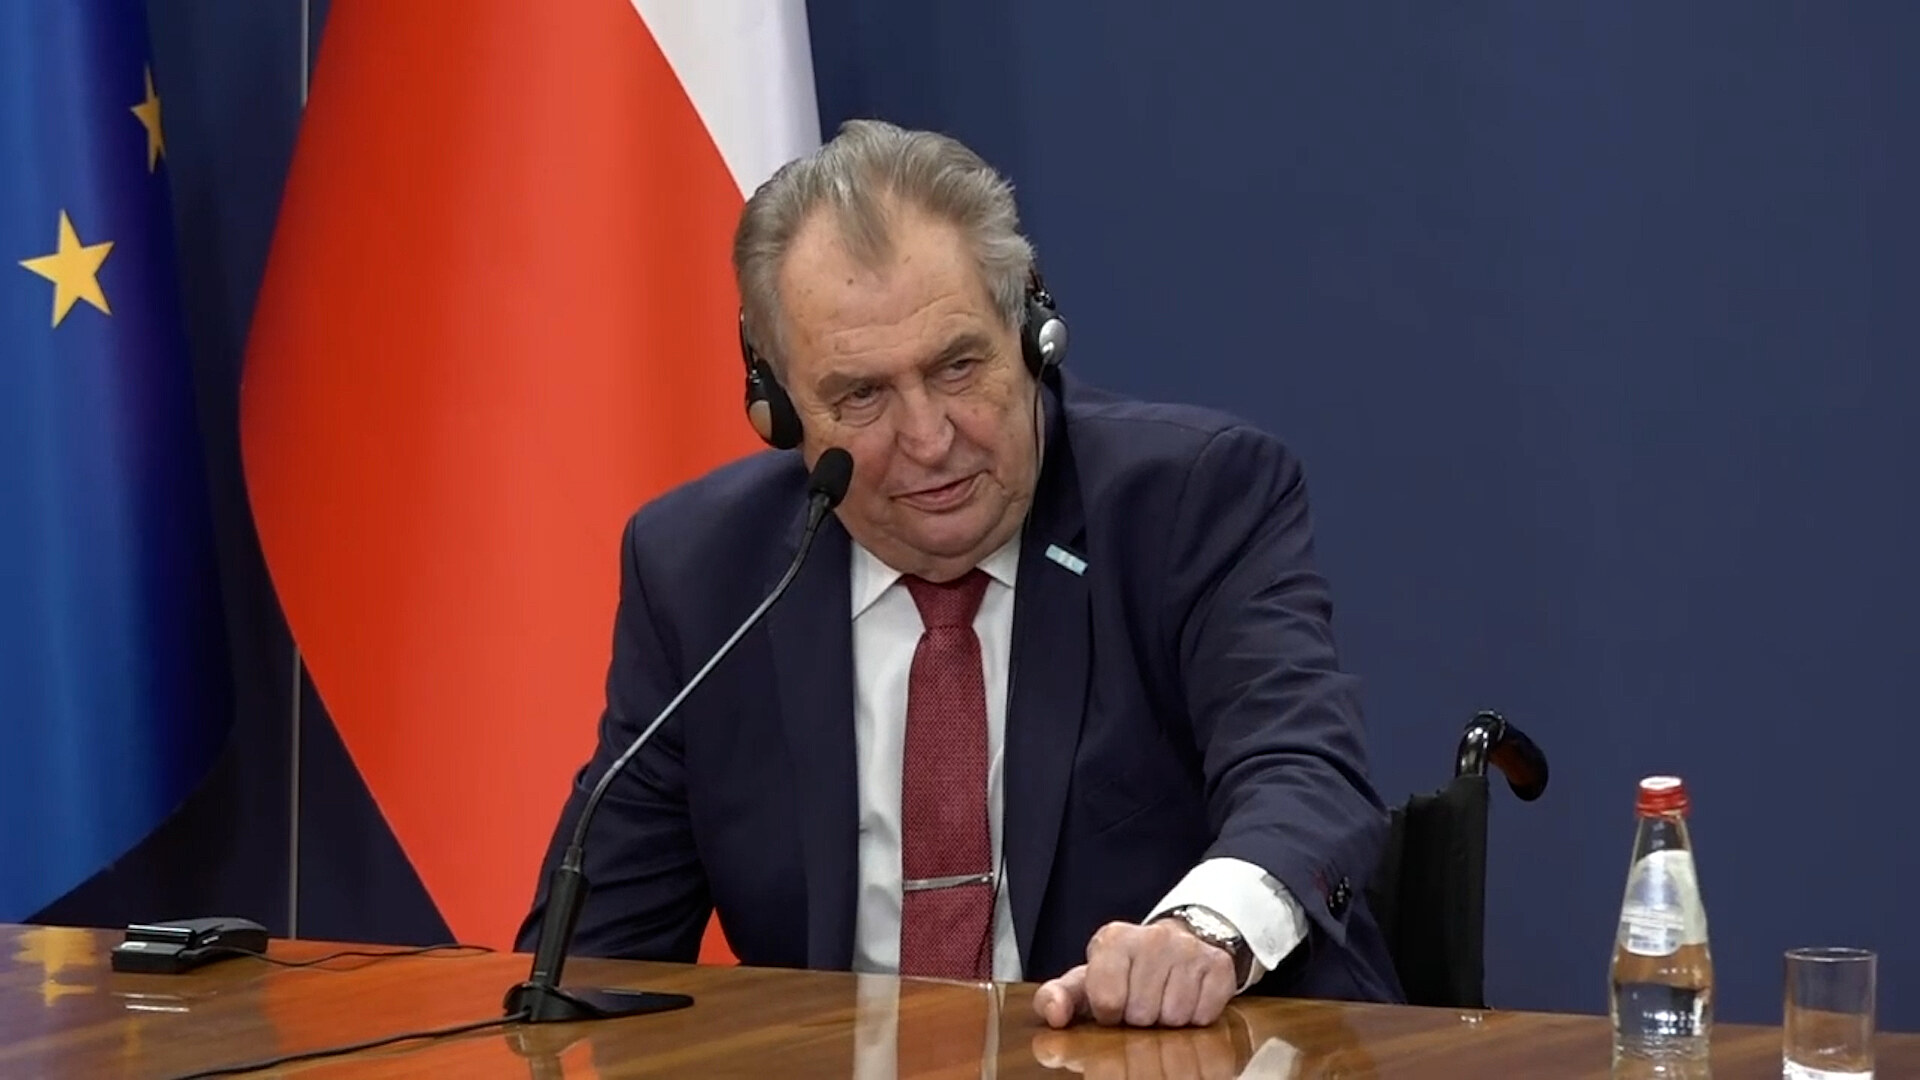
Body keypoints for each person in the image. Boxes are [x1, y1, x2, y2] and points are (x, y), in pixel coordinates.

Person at [517, 118, 1403, 1028]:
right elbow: (588, 965)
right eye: (862, 394)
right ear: (777, 408)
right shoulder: (704, 572)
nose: (930, 439)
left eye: (958, 366)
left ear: (1033, 333)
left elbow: (1304, 772)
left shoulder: (1189, 504)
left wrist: (1200, 932)